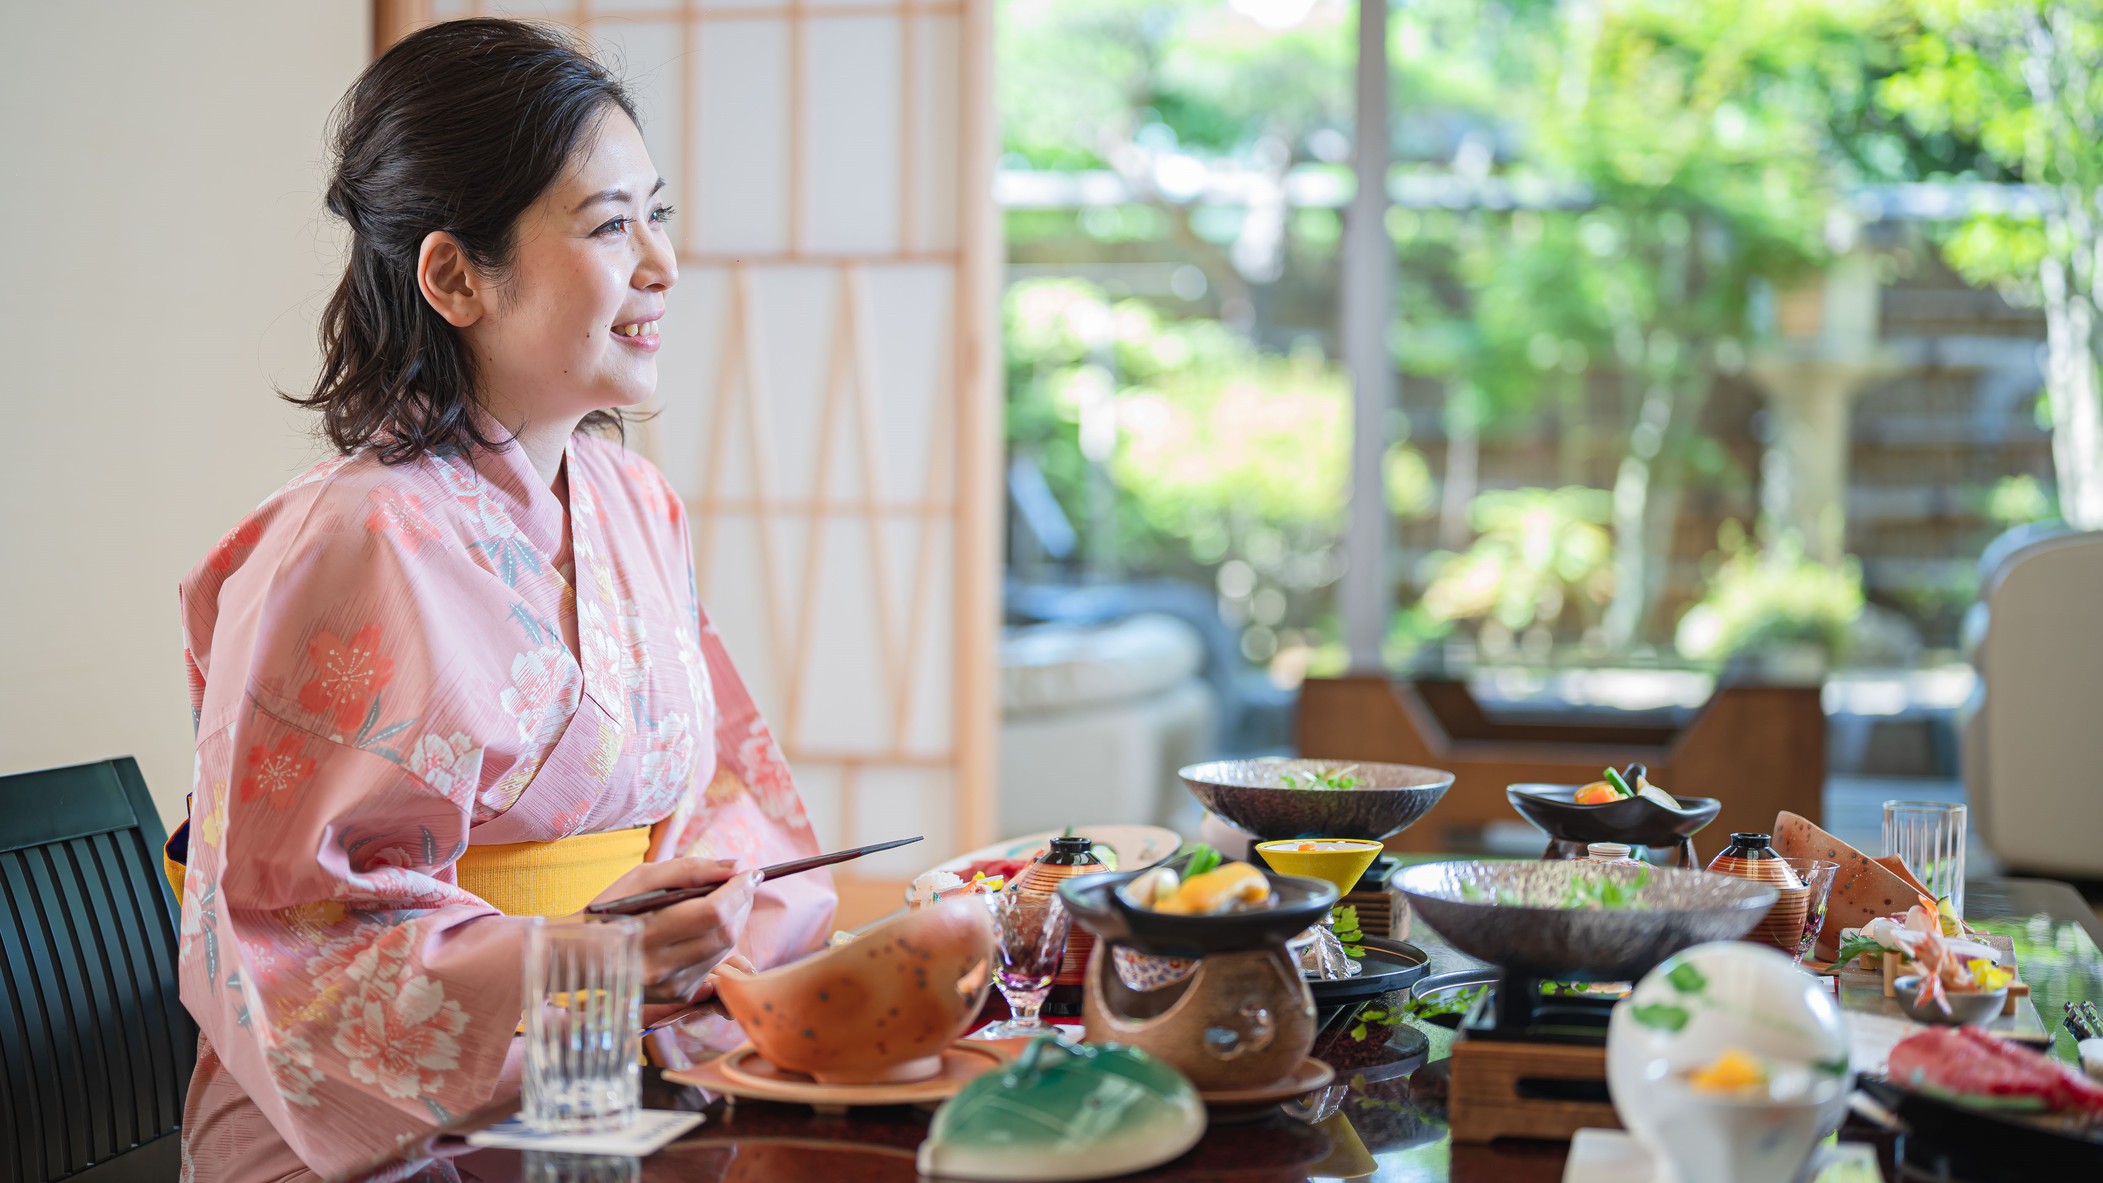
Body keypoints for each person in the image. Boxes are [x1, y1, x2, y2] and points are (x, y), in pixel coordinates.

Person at [169, 20, 835, 1179]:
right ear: (454, 275)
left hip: (608, 1069)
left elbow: (728, 802)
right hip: (386, 1128)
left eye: (658, 213)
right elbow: (294, 931)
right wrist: (576, 960)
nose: (663, 263)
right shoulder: (350, 540)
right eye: (610, 224)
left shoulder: (636, 503)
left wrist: (702, 923)